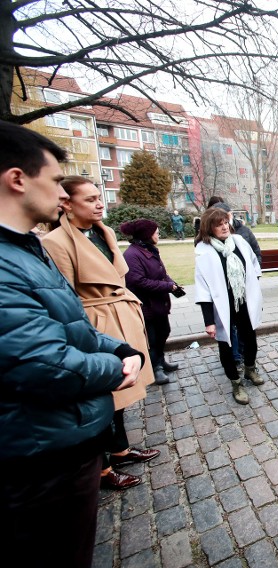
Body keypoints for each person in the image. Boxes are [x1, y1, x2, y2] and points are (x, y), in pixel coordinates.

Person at [0, 121, 143, 568]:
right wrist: (114, 366)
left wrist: (117, 347)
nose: (62, 195)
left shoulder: (25, 248)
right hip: (40, 453)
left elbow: (66, 321)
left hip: (60, 440)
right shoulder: (16, 257)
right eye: (55, 180)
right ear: (18, 179)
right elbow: (42, 364)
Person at [42, 175, 159, 491]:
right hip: (94, 324)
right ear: (67, 204)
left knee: (119, 395)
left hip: (119, 318)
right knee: (99, 397)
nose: (99, 203)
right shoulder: (55, 243)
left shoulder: (100, 233)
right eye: (90, 199)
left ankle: (119, 450)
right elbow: (64, 299)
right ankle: (102, 469)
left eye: (99, 197)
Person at [195, 207, 264, 404]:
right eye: (219, 224)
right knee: (226, 345)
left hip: (244, 301)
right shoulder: (204, 252)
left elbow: (253, 263)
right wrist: (209, 321)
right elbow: (203, 289)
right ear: (210, 228)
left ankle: (250, 369)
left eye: (226, 222)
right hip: (221, 306)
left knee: (250, 338)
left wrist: (254, 286)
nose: (224, 227)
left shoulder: (239, 242)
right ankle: (236, 382)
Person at [121, 218, 181, 385]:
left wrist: (172, 283)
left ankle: (161, 361)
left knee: (164, 332)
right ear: (147, 234)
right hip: (146, 306)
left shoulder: (149, 250)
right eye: (155, 231)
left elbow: (161, 273)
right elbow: (137, 281)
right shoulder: (132, 254)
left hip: (158, 304)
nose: (158, 233)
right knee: (152, 338)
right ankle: (155, 368)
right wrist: (167, 286)